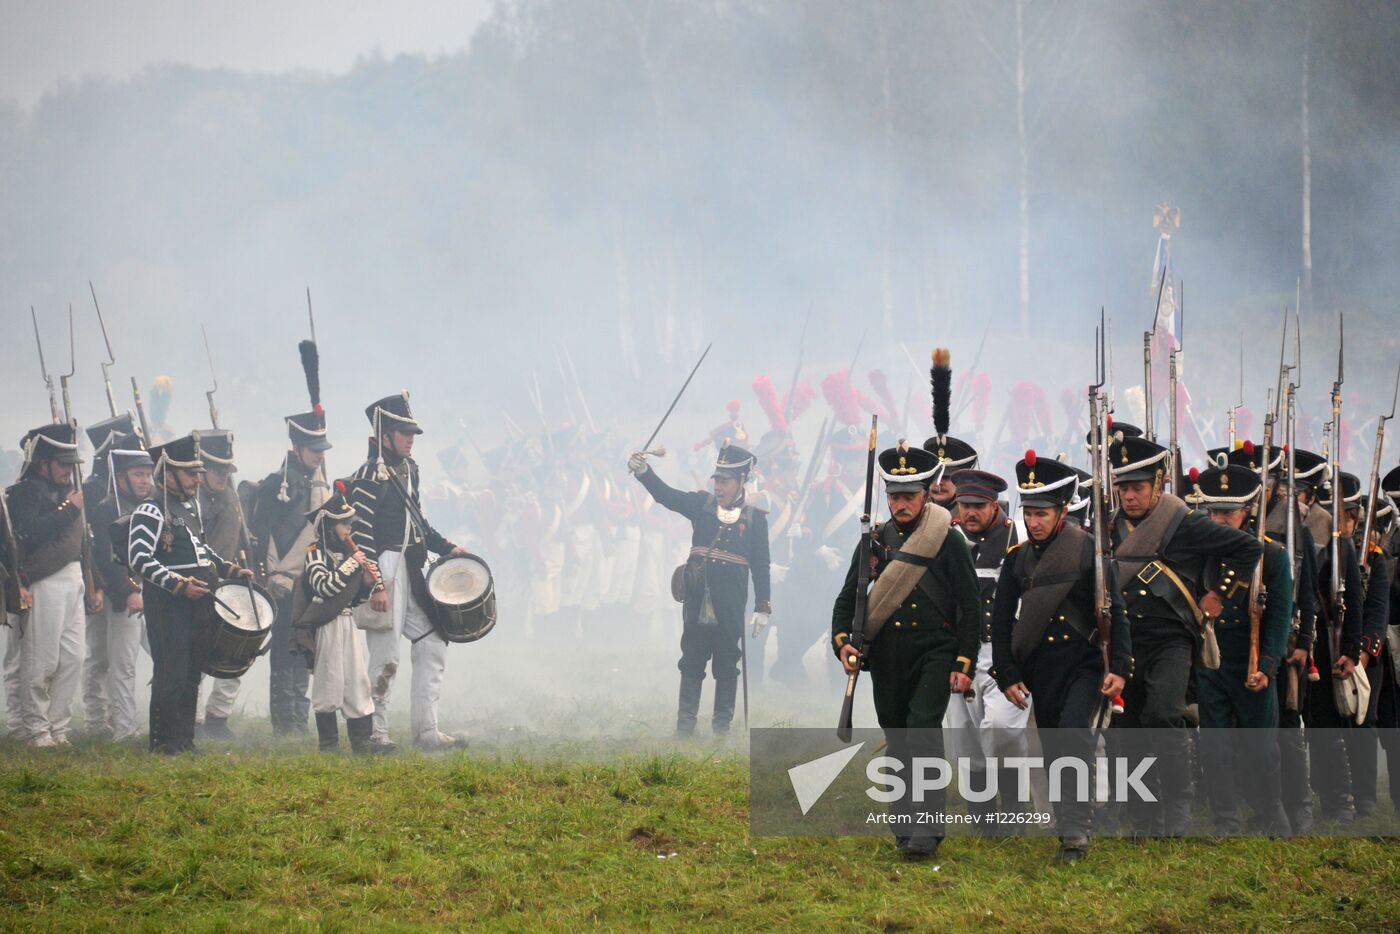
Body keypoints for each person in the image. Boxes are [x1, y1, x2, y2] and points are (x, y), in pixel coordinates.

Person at [831, 441, 980, 860]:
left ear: (926, 493)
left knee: (922, 733)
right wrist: (842, 641)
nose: (901, 504)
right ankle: (903, 823)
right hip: (890, 656)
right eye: (894, 496)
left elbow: (970, 605)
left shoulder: (947, 540)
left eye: (909, 496)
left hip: (936, 651)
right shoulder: (875, 541)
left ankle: (928, 829)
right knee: (897, 736)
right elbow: (849, 597)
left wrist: (965, 660)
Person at [1108, 434, 1261, 836]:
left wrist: (1219, 593)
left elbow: (1248, 550)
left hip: (1171, 638)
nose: (1129, 496)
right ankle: (1144, 816)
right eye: (1123, 487)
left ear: (1158, 485)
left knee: (1163, 715)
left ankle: (1178, 802)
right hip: (1125, 641)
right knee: (1131, 729)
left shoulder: (1184, 524)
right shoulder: (1110, 529)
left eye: (1138, 487)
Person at [992, 450, 1131, 862]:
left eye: (1042, 513)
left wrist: (1120, 667)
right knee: (1053, 746)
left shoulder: (1088, 551)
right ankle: (1068, 820)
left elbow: (1115, 612)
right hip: (1040, 668)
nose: (1034, 522)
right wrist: (1007, 673)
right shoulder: (1016, 560)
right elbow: (1000, 622)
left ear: (1062, 510)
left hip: (1084, 665)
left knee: (1073, 736)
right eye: (1029, 513)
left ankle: (1075, 830)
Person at [348, 393, 470, 751]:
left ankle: (427, 730)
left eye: (411, 433)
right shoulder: (369, 474)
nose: (410, 439)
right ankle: (377, 732)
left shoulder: (409, 470)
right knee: (386, 656)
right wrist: (375, 584)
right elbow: (361, 532)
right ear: (385, 435)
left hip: (410, 567)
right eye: (403, 432)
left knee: (432, 641)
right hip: (383, 568)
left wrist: (447, 547)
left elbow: (418, 523)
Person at [629, 441, 771, 736]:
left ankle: (721, 729)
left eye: (726, 481)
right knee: (692, 658)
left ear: (741, 481)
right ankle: (685, 728)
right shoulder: (701, 505)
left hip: (732, 600)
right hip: (697, 596)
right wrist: (644, 473)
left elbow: (761, 565)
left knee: (727, 661)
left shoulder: (756, 519)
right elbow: (666, 496)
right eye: (717, 480)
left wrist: (762, 606)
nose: (719, 486)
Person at [1184, 461, 1292, 834]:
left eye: (1228, 512)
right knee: (1215, 748)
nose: (1219, 520)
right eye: (1213, 511)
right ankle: (1225, 819)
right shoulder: (1200, 552)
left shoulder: (1272, 556)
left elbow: (1279, 616)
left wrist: (1267, 663)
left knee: (1262, 748)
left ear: (1248, 512)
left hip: (1252, 659)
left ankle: (1267, 815)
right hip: (1212, 660)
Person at [128, 433, 252, 754]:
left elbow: (203, 552)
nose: (197, 479)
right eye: (190, 473)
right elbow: (139, 558)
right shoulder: (151, 510)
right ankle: (163, 743)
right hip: (168, 604)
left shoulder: (189, 507)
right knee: (171, 674)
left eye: (198, 473)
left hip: (199, 601)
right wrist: (178, 584)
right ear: (168, 474)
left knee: (191, 675)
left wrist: (230, 570)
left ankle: (185, 741)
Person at [943, 467, 1027, 820]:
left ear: (995, 505)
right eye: (964, 504)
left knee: (1005, 729)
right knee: (965, 736)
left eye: (979, 505)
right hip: (961, 650)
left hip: (1003, 650)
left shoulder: (1017, 537)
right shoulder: (949, 538)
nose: (970, 512)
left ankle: (1012, 811)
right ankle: (981, 816)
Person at [5, 423, 95, 747]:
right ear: (43, 463)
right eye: (63, 464)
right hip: (43, 581)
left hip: (72, 579)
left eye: (72, 464)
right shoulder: (26, 491)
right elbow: (29, 532)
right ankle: (36, 730)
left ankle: (59, 726)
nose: (70, 470)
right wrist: (70, 508)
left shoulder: (64, 491)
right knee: (40, 660)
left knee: (73, 658)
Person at [248, 410, 332, 735]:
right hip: (283, 582)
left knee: (303, 648)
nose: (319, 455)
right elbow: (260, 532)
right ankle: (285, 725)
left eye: (322, 450)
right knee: (284, 650)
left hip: (308, 581)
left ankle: (298, 718)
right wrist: (261, 575)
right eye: (314, 449)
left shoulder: (317, 483)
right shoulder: (277, 484)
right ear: (296, 446)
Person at [291, 480, 389, 754]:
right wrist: (352, 564)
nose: (349, 529)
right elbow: (324, 586)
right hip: (326, 625)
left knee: (357, 681)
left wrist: (368, 584)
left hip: (347, 622)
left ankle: (362, 743)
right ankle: (329, 745)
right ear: (328, 526)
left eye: (350, 523)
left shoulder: (347, 555)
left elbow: (353, 599)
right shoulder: (315, 553)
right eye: (344, 524)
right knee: (329, 682)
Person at [83, 428, 153, 742]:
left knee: (168, 657)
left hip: (155, 592)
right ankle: (123, 730)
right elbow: (106, 557)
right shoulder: (105, 509)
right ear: (121, 477)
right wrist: (128, 589)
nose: (145, 481)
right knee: (121, 665)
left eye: (148, 474)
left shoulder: (153, 507)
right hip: (125, 596)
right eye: (138, 475)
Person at [196, 429, 253, 739]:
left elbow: (240, 539)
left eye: (226, 470)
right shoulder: (192, 501)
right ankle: (195, 722)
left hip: (231, 581)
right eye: (216, 469)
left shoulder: (231, 497)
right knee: (199, 654)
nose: (222, 475)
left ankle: (219, 715)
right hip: (201, 583)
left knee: (239, 650)